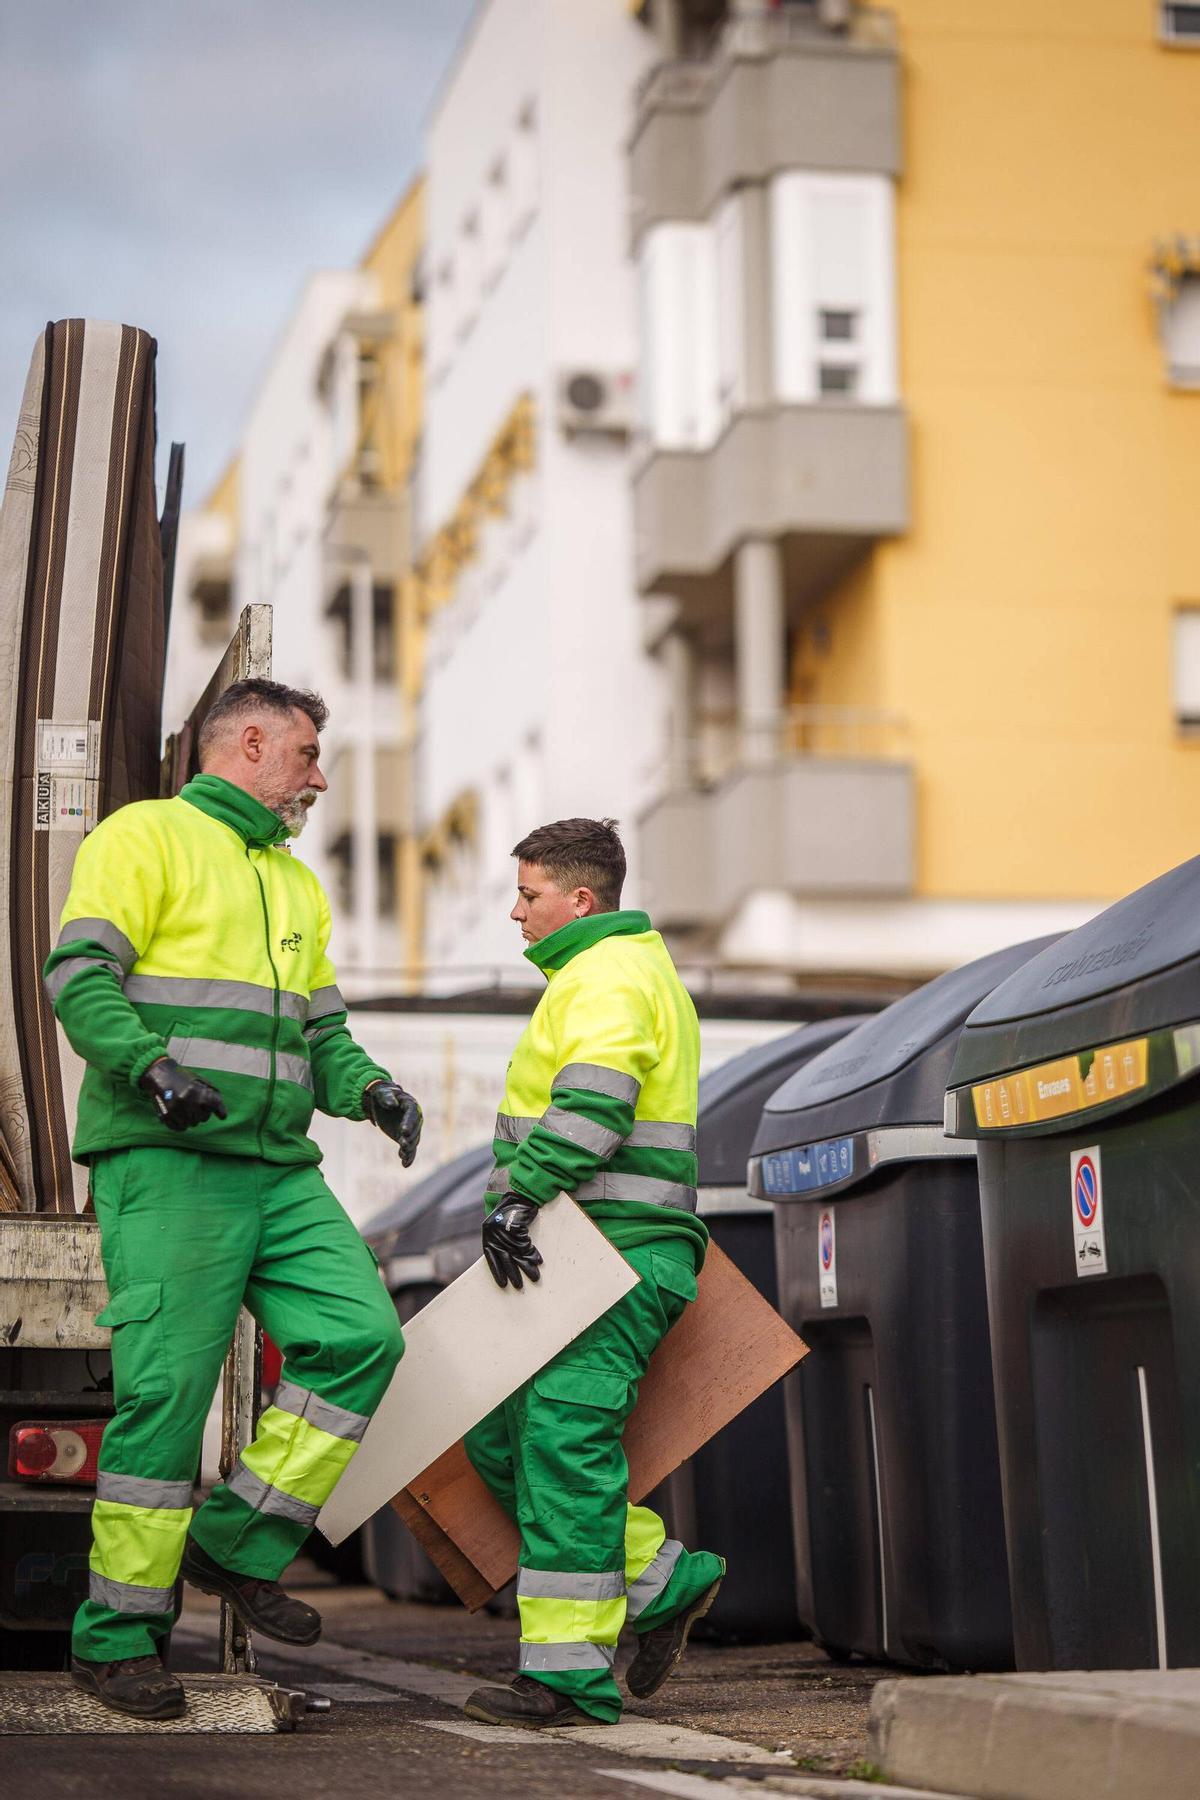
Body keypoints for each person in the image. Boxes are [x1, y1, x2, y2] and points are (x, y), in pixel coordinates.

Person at [44, 679, 422, 1721]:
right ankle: (116, 1638)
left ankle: (233, 1541)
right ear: (249, 743)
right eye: (305, 754)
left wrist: (369, 1088)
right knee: (165, 1403)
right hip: (169, 1163)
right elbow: (80, 976)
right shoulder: (144, 838)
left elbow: (322, 1032)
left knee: (362, 1339)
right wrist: (149, 1067)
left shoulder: (295, 886)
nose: (318, 776)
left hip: (277, 1171)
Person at [462, 817, 725, 1728]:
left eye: (528, 895)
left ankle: (566, 1677)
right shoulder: (601, 974)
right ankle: (659, 1578)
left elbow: (595, 1107)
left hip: (609, 1255)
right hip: (580, 1249)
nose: (516, 912)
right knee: (505, 1441)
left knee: (564, 1448)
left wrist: (515, 1198)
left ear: (580, 899)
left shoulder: (610, 975)